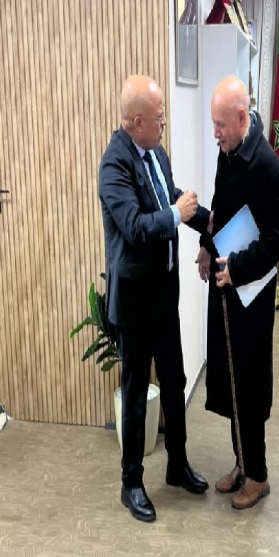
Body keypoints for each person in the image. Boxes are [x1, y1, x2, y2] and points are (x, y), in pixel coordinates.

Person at [98, 74, 213, 523]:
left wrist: (207, 220)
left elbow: (172, 201)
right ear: (136, 122)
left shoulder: (156, 153)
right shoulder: (114, 165)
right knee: (133, 393)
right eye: (159, 117)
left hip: (164, 297)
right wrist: (175, 214)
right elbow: (135, 226)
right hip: (134, 304)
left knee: (175, 379)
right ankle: (130, 483)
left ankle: (177, 465)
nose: (164, 124)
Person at [195, 76, 279, 510]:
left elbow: (277, 238)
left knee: (249, 385)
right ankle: (242, 462)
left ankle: (259, 475)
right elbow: (220, 207)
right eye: (213, 125)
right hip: (225, 288)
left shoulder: (269, 166)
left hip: (249, 292)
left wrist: (236, 267)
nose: (215, 133)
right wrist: (206, 246)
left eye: (220, 125)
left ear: (240, 117)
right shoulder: (228, 152)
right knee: (230, 380)